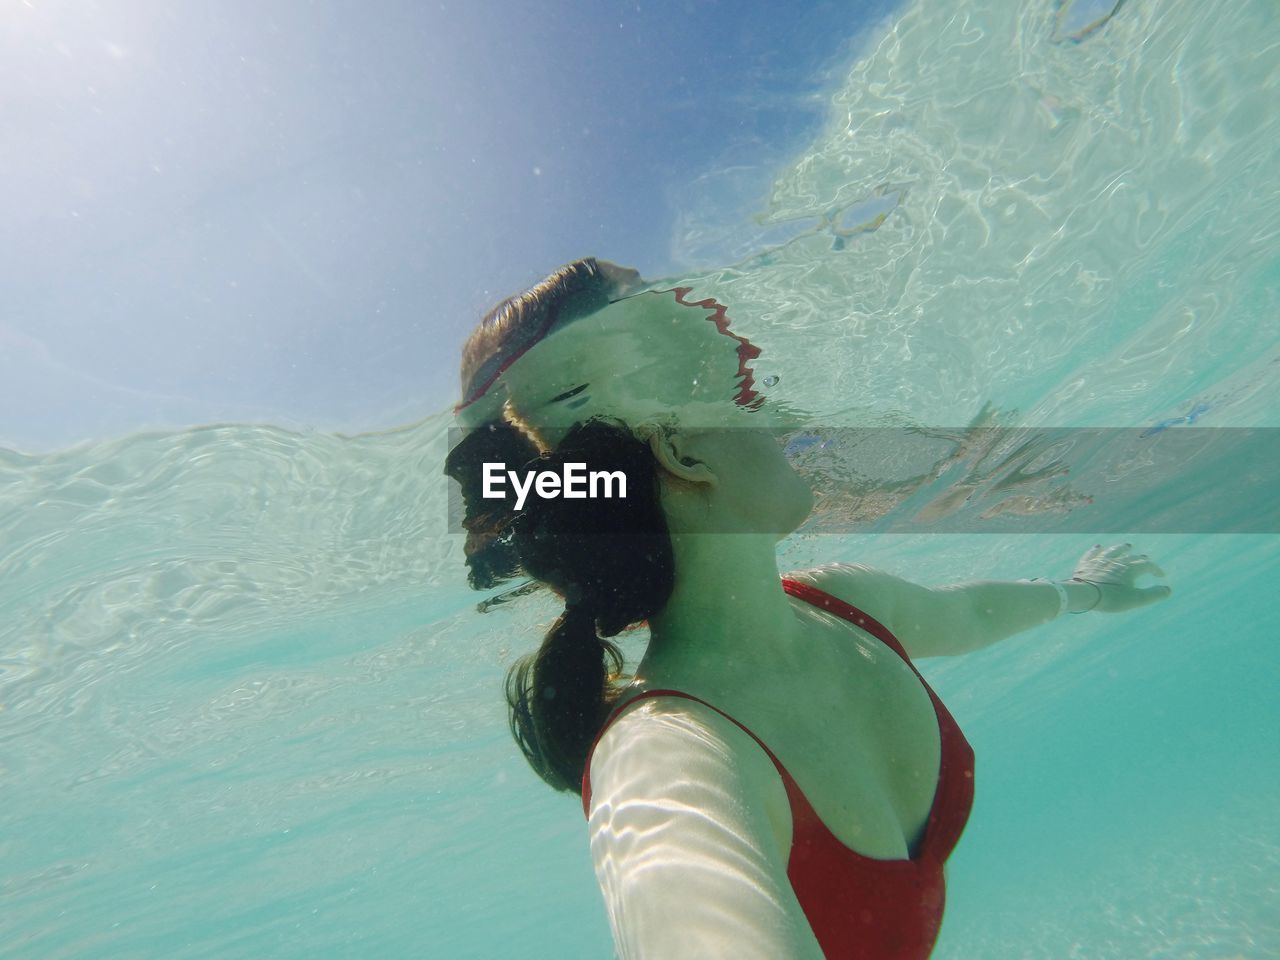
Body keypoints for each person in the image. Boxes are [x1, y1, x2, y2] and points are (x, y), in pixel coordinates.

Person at [444, 258, 1172, 959]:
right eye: (739, 407)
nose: (774, 424)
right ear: (686, 455)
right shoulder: (663, 756)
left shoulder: (844, 602)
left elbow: (969, 616)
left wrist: (1089, 592)